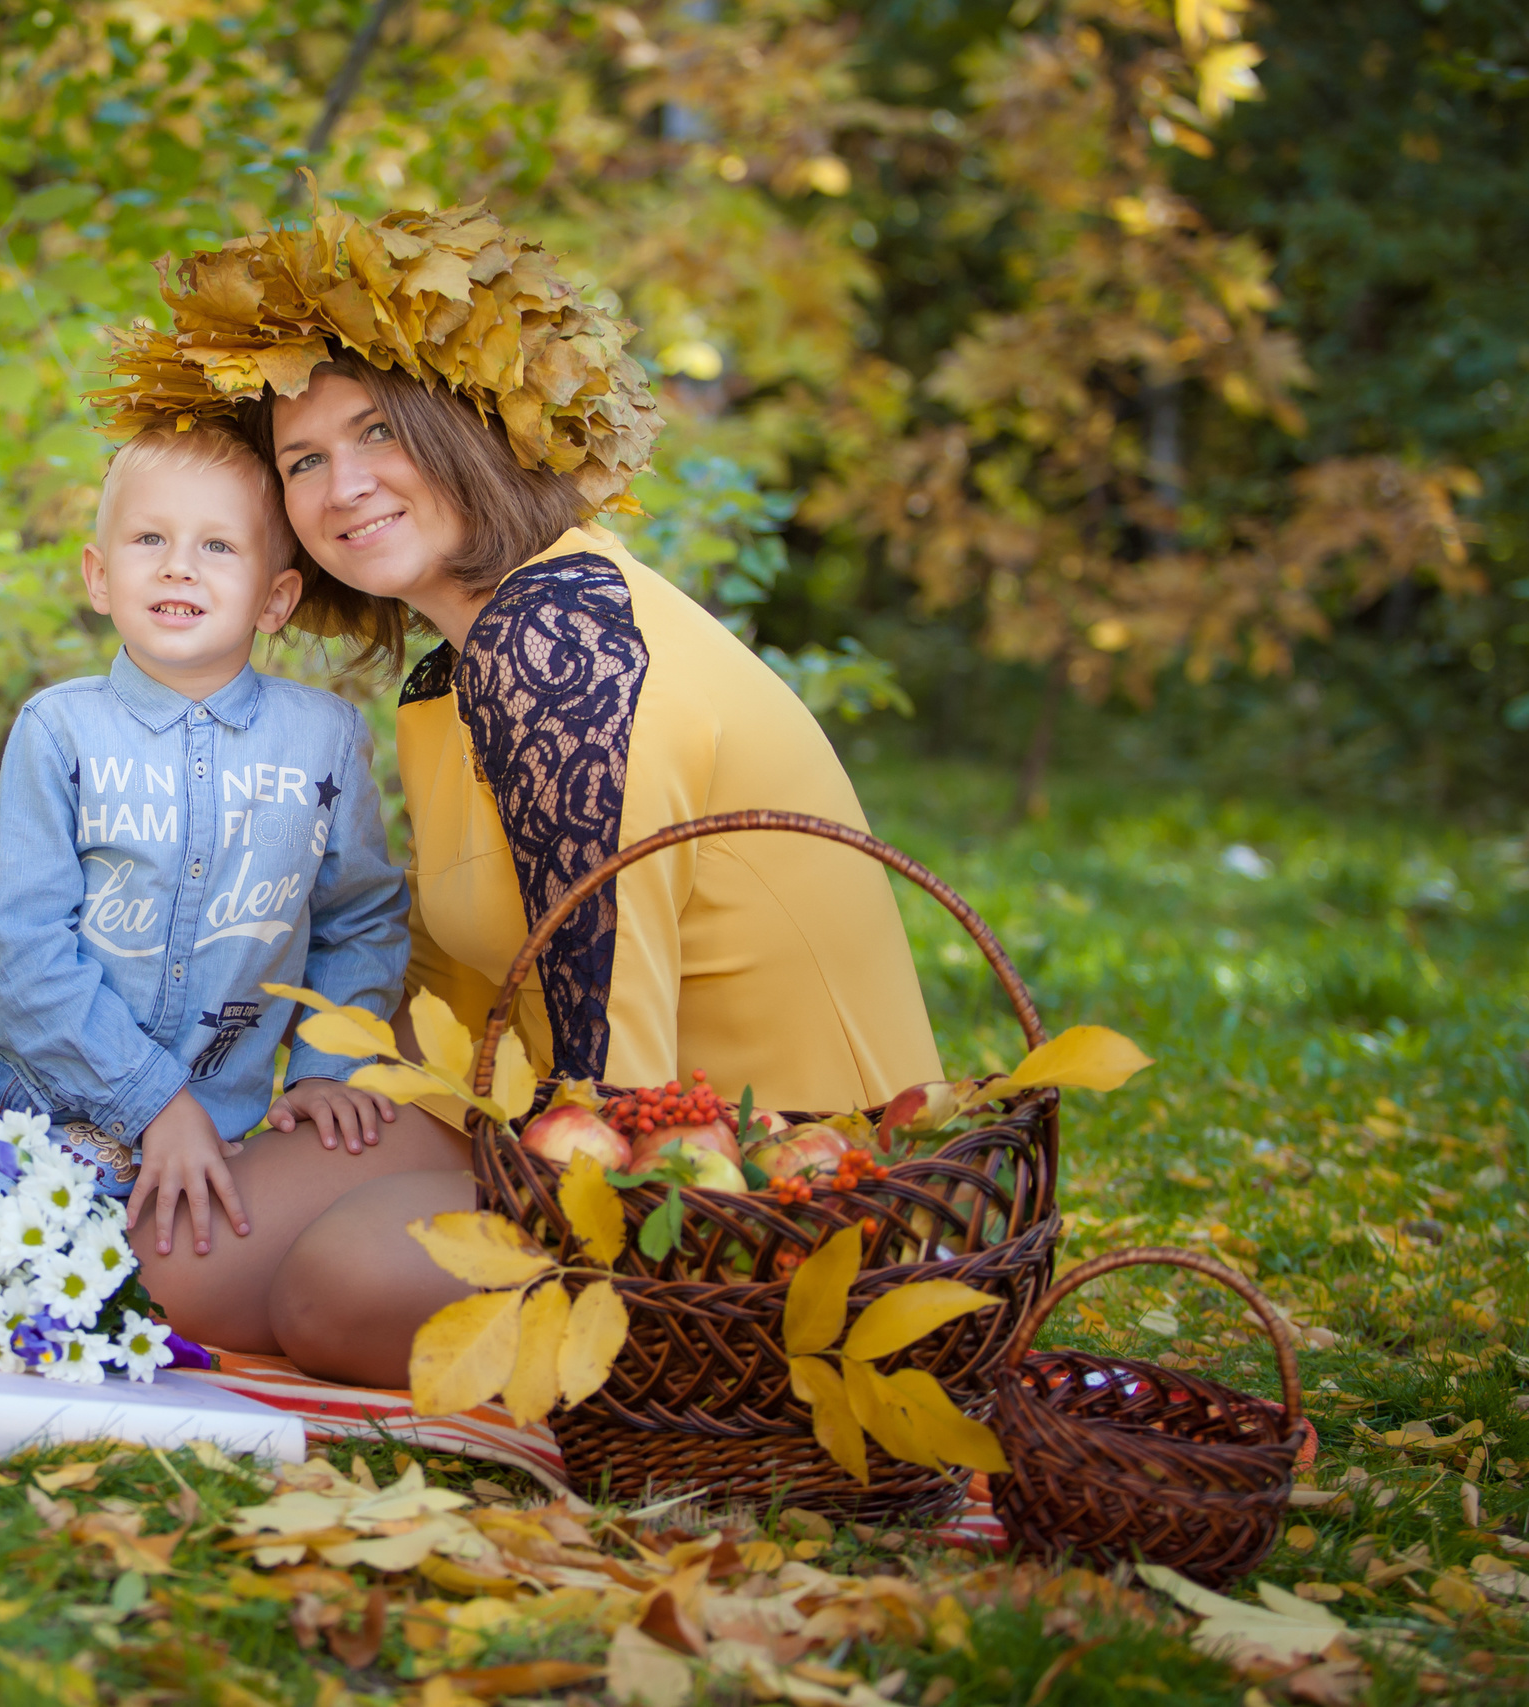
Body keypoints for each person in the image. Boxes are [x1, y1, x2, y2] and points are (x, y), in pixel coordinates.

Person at [95, 204, 944, 1385]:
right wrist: (350, 1098)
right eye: (302, 461)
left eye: (378, 431)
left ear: (471, 427)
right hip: (541, 1116)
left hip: (761, 1180)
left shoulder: (566, 643)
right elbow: (465, 975)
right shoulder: (453, 670)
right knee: (175, 1256)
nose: (342, 486)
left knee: (338, 1283)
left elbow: (623, 1055)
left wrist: (467, 1201)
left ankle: (690, 1369)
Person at [0, 423, 409, 1258]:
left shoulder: (325, 741)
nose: (178, 565)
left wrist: (324, 1070)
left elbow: (361, 920)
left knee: (147, 1293)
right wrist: (160, 1103)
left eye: (218, 546)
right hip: (13, 1088)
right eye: (150, 538)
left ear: (275, 599)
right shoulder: (60, 729)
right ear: (99, 574)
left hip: (216, 1120)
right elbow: (24, 955)